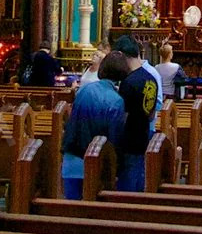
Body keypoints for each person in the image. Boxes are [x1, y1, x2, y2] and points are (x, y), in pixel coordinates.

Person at [63, 52, 128, 198]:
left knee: (70, 210)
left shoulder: (84, 89)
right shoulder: (116, 100)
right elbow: (113, 140)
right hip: (95, 163)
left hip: (72, 158)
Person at [116, 40, 162, 191]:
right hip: (144, 132)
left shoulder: (128, 82)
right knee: (139, 176)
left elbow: (123, 114)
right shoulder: (151, 78)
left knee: (128, 179)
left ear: (122, 56)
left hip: (128, 137)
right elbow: (152, 111)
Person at [154, 43, 187, 107]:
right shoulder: (176, 66)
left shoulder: (156, 67)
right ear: (169, 55)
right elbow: (183, 81)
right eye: (171, 52)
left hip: (159, 96)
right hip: (171, 96)